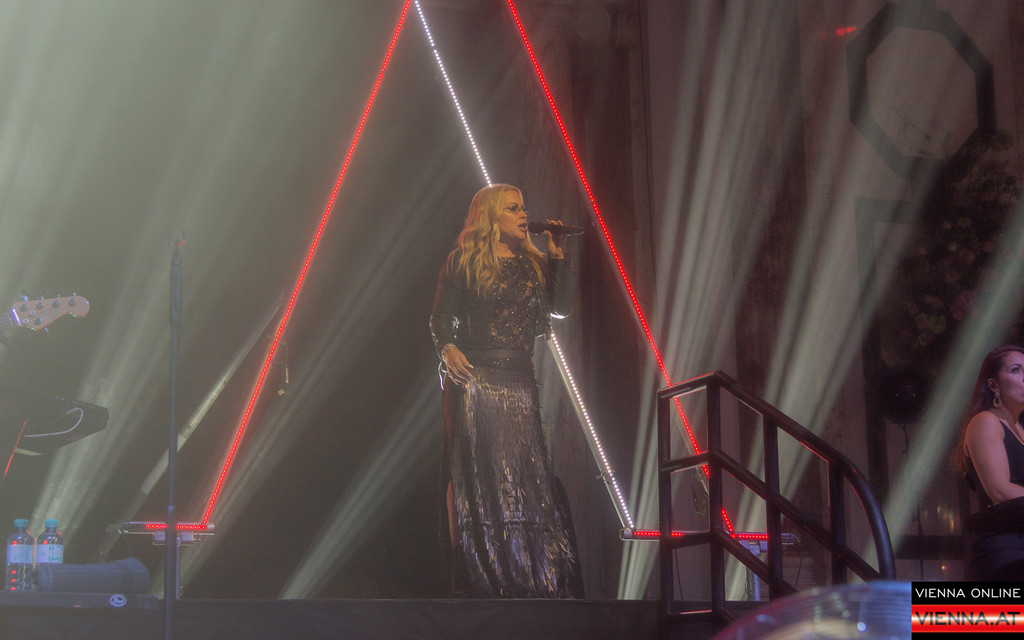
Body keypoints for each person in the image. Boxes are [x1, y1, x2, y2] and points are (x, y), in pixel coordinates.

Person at [428, 183, 582, 598]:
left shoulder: (532, 265)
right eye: (513, 208)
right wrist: (448, 347)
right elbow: (440, 318)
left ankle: (525, 573)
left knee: (523, 478)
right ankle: (475, 571)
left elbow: (561, 308)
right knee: (477, 476)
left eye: (523, 208)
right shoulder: (464, 261)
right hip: (475, 381)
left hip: (519, 381)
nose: (523, 215)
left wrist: (558, 254)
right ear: (491, 217)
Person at [955, 344, 1024, 580]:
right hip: (1005, 550)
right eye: (1016, 370)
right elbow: (1000, 490)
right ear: (994, 385)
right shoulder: (985, 421)